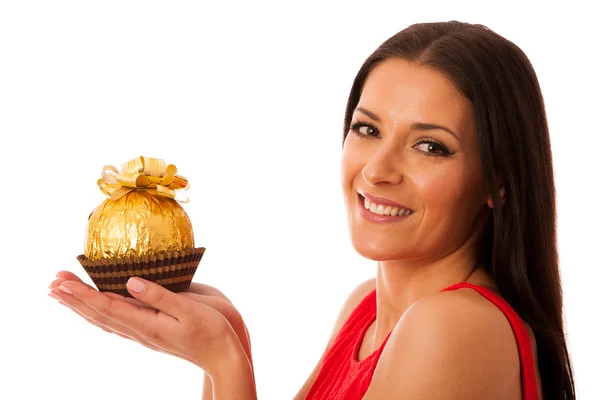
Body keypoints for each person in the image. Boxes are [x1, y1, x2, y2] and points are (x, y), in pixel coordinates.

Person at [48, 21, 576, 399]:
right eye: (367, 130)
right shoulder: (365, 308)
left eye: (429, 146)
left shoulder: (454, 327)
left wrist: (226, 363)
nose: (376, 171)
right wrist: (229, 342)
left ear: (498, 184)